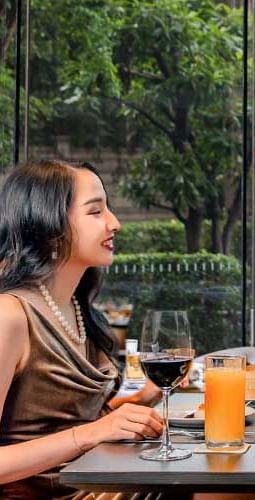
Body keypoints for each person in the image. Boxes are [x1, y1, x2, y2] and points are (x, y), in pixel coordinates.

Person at [0, 160, 164, 498]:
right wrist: (91, 434)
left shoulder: (77, 309)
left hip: (95, 483)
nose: (114, 223)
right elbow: (83, 433)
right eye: (96, 212)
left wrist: (145, 397)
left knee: (224, 477)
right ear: (49, 223)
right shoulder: (10, 315)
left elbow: (69, 420)